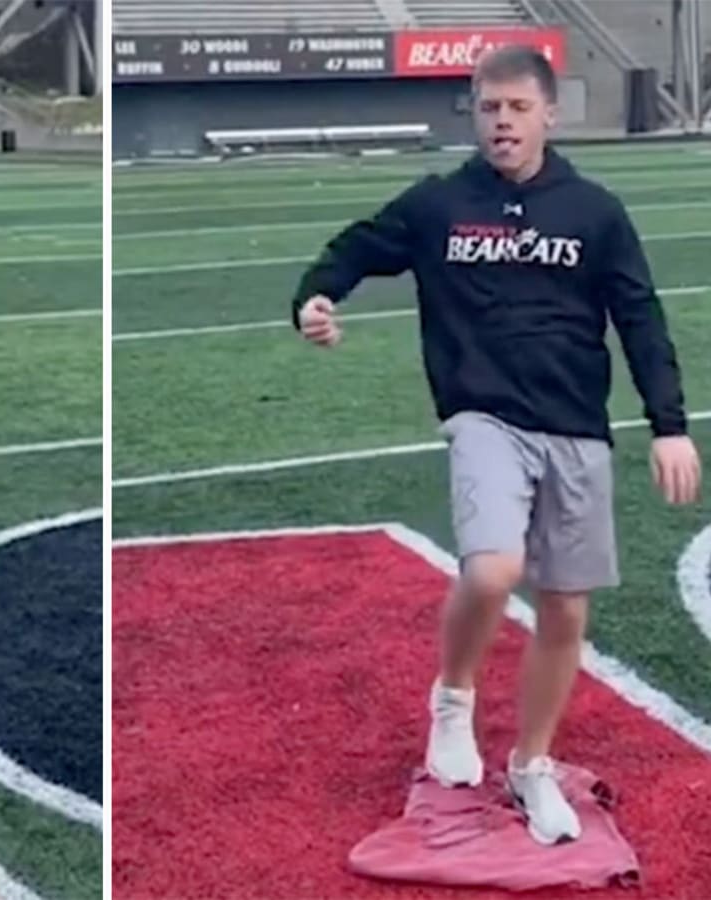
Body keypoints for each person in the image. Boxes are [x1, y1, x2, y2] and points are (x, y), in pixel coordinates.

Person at [292, 45, 700, 846]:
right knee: (492, 568)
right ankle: (453, 700)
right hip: (485, 419)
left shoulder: (595, 212)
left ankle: (531, 764)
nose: (502, 122)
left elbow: (640, 318)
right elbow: (355, 247)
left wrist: (670, 425)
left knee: (566, 609)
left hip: (576, 428)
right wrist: (315, 297)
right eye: (489, 108)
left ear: (550, 113)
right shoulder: (441, 204)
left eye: (517, 108)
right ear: (473, 114)